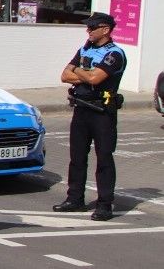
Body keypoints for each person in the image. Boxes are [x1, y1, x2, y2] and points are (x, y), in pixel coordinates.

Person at [54, 12, 127, 221]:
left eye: (92, 28)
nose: (88, 31)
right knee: (77, 158)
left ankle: (105, 205)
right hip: (81, 109)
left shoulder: (114, 54)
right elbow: (64, 75)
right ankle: (74, 199)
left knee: (104, 158)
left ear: (105, 29)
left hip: (102, 113)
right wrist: (84, 73)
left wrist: (78, 71)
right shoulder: (85, 48)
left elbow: (96, 78)